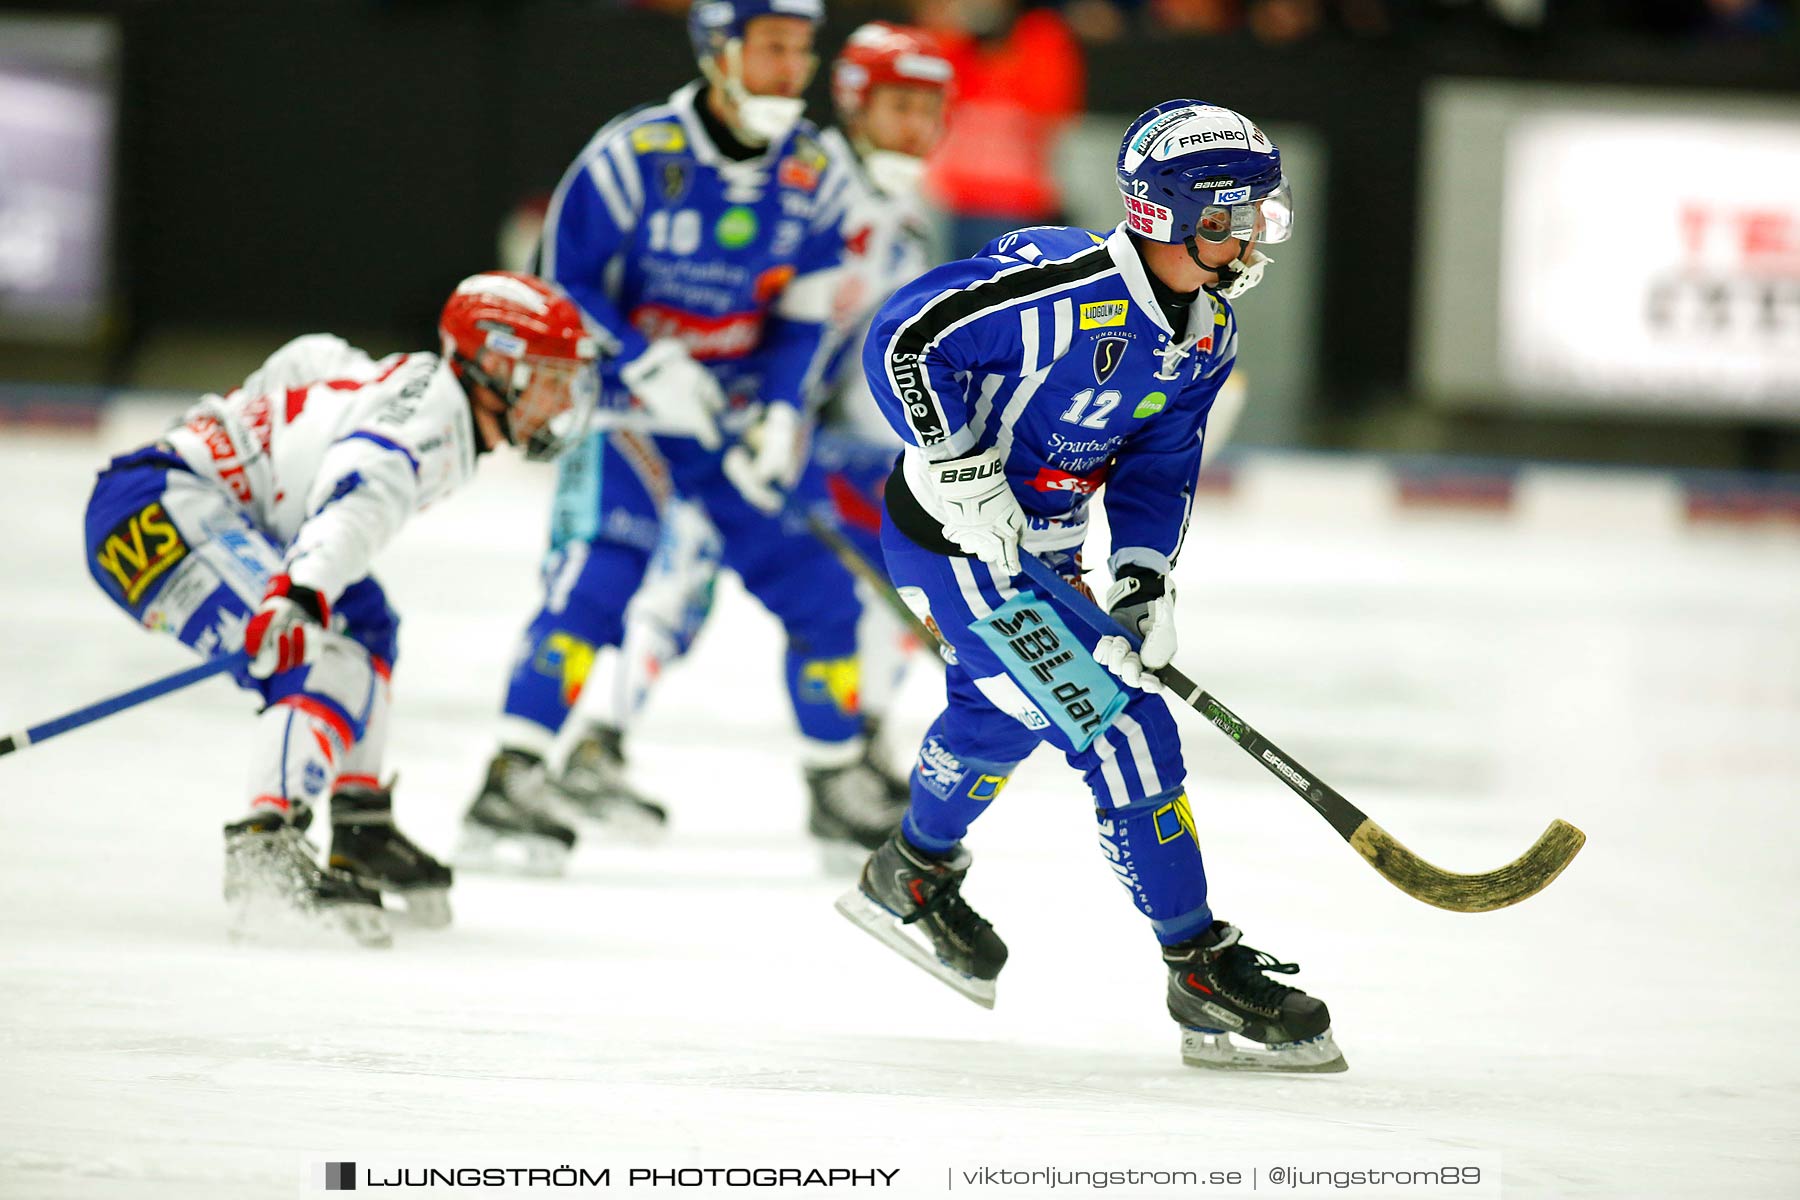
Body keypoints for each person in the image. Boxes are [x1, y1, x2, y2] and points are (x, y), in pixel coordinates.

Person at [837, 100, 1345, 1073]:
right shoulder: (1059, 292)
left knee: (1003, 714)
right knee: (1122, 727)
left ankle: (908, 875)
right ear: (1169, 216)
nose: (1245, 239)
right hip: (958, 542)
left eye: (1253, 219)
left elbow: (1160, 464)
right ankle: (1197, 966)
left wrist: (1143, 576)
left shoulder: (1207, 336)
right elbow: (901, 341)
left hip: (1048, 555)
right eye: (1225, 219)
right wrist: (954, 459)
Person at [456, 0, 899, 874]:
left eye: (800, 51)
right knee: (601, 577)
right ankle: (511, 775)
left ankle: (834, 780)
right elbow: (562, 280)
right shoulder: (633, 155)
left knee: (822, 593)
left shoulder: (815, 171)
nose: (789, 69)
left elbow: (808, 309)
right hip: (625, 412)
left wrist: (781, 408)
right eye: (771, 48)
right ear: (718, 52)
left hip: (731, 422)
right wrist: (643, 360)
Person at [81, 272, 600, 946]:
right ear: (496, 365)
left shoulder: (426, 390)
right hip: (155, 515)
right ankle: (268, 846)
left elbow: (312, 358)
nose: (562, 400)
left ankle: (360, 824)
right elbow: (361, 498)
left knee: (370, 625)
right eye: (550, 377)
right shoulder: (431, 427)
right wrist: (300, 590)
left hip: (193, 503)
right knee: (318, 657)